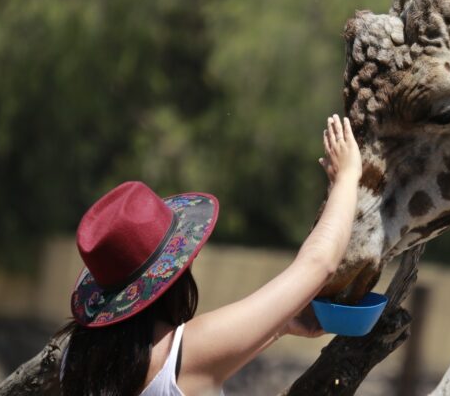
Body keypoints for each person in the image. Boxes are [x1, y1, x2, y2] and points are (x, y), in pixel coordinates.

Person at [58, 114, 362, 396]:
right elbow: (318, 264)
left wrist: (280, 326)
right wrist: (348, 177)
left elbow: (211, 361)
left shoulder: (76, 358)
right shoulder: (181, 355)